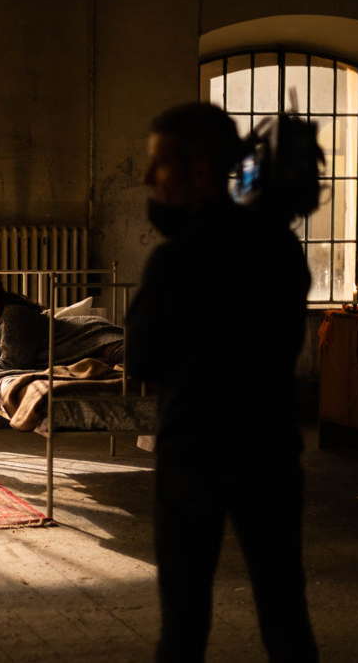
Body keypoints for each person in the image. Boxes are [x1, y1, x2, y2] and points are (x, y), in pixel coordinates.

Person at [126, 102, 318, 662]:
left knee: (183, 624)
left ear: (200, 170)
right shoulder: (280, 247)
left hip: (193, 454)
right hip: (271, 449)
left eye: (158, 164)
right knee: (285, 610)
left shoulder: (176, 260)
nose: (147, 178)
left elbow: (140, 360)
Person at [0, 274, 123, 385]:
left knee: (136, 357)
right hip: (82, 347)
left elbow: (12, 364)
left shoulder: (13, 315)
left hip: (90, 336)